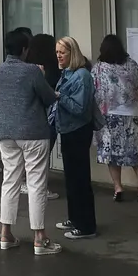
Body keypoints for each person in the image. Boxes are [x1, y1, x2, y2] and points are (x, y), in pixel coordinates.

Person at [0, 28, 62, 256]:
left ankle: (6, 234)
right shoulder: (32, 71)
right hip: (33, 132)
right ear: (24, 49)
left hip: (6, 133)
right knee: (36, 184)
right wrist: (41, 76)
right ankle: (39, 238)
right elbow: (49, 97)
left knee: (10, 181)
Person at [91, 34, 138, 203]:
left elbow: (95, 91)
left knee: (111, 154)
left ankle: (118, 188)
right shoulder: (132, 65)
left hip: (109, 115)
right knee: (136, 153)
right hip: (132, 114)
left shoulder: (99, 68)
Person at [54, 36, 101, 240]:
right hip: (66, 129)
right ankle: (74, 218)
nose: (58, 56)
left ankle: (86, 225)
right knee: (71, 178)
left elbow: (80, 109)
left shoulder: (82, 76)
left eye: (62, 53)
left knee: (80, 178)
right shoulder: (66, 73)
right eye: (57, 52)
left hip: (78, 130)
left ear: (72, 54)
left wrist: (59, 97)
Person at [23, 31, 61, 200]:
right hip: (49, 114)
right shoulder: (51, 67)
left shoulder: (27, 66)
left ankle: (27, 182)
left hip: (30, 113)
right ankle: (38, 187)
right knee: (42, 153)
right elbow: (50, 93)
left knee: (30, 153)